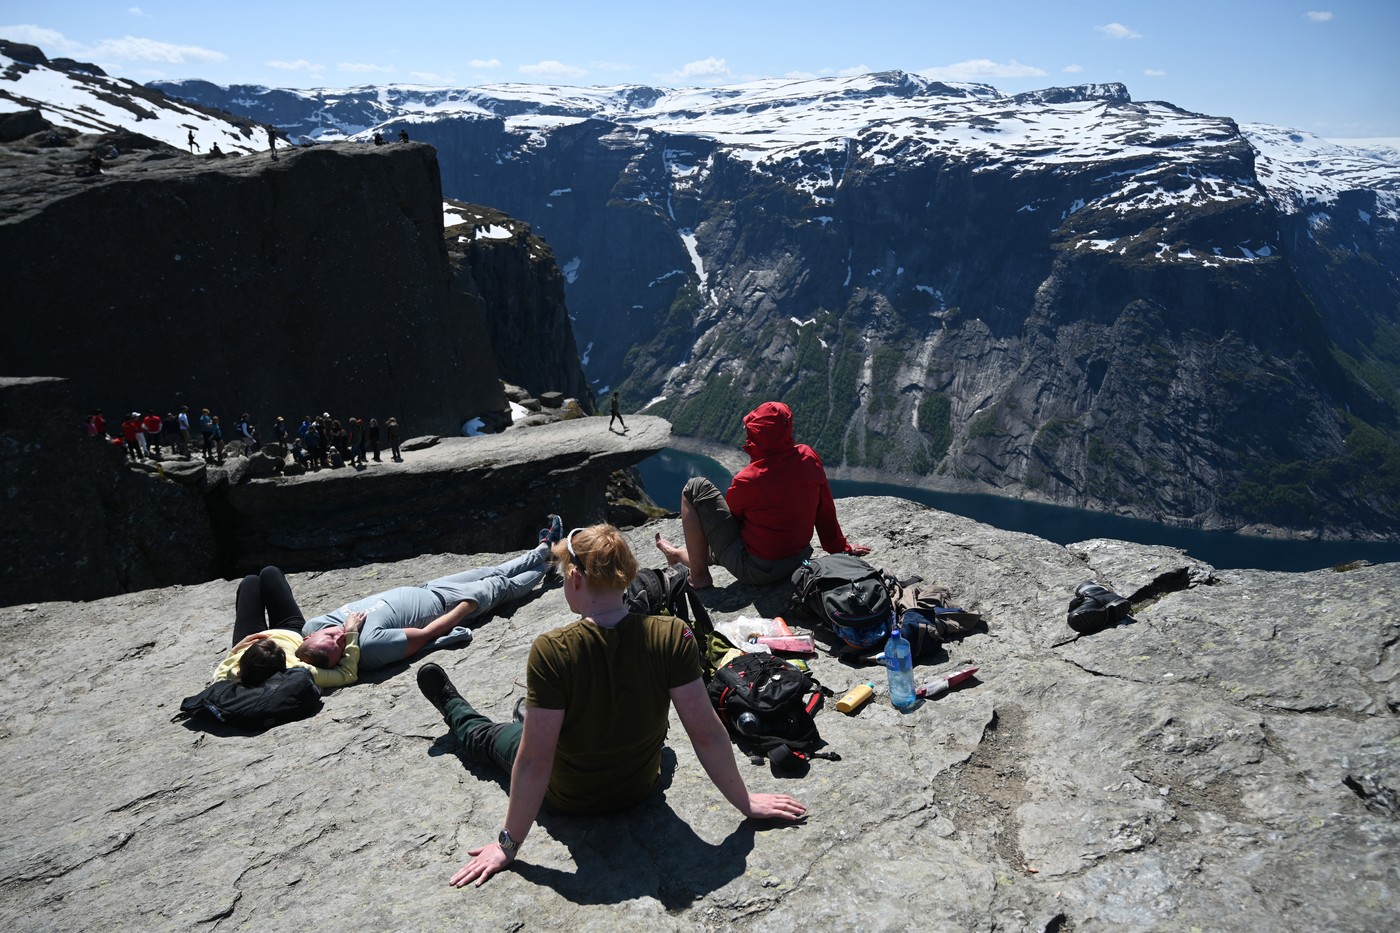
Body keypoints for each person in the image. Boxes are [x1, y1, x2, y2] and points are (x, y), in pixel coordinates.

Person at [417, 523, 807, 889]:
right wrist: (745, 801)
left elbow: (535, 761)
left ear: (574, 578)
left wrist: (507, 845)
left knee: (490, 738)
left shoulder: (552, 650)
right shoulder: (672, 634)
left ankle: (456, 709)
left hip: (569, 797)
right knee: (658, 745)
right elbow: (705, 733)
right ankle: (535, 715)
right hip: (640, 786)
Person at [300, 517, 566, 672]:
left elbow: (288, 639)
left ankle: (543, 549)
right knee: (502, 586)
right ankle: (547, 565)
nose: (339, 638)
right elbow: (426, 636)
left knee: (488, 570)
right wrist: (467, 607)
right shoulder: (370, 648)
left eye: (329, 638)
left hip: (429, 588)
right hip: (451, 605)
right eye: (338, 648)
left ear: (312, 636)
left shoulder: (314, 626)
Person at [655, 401, 869, 589]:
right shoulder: (808, 456)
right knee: (716, 550)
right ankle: (676, 554)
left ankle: (699, 577)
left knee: (695, 487)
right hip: (800, 558)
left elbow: (732, 517)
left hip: (757, 572)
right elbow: (825, 510)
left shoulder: (749, 479)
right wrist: (840, 547)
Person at [214, 565, 365, 689]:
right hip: (289, 630)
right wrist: (351, 634)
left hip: (248, 641)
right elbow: (347, 675)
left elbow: (218, 681)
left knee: (250, 581)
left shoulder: (235, 673)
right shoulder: (297, 670)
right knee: (270, 572)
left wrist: (235, 651)